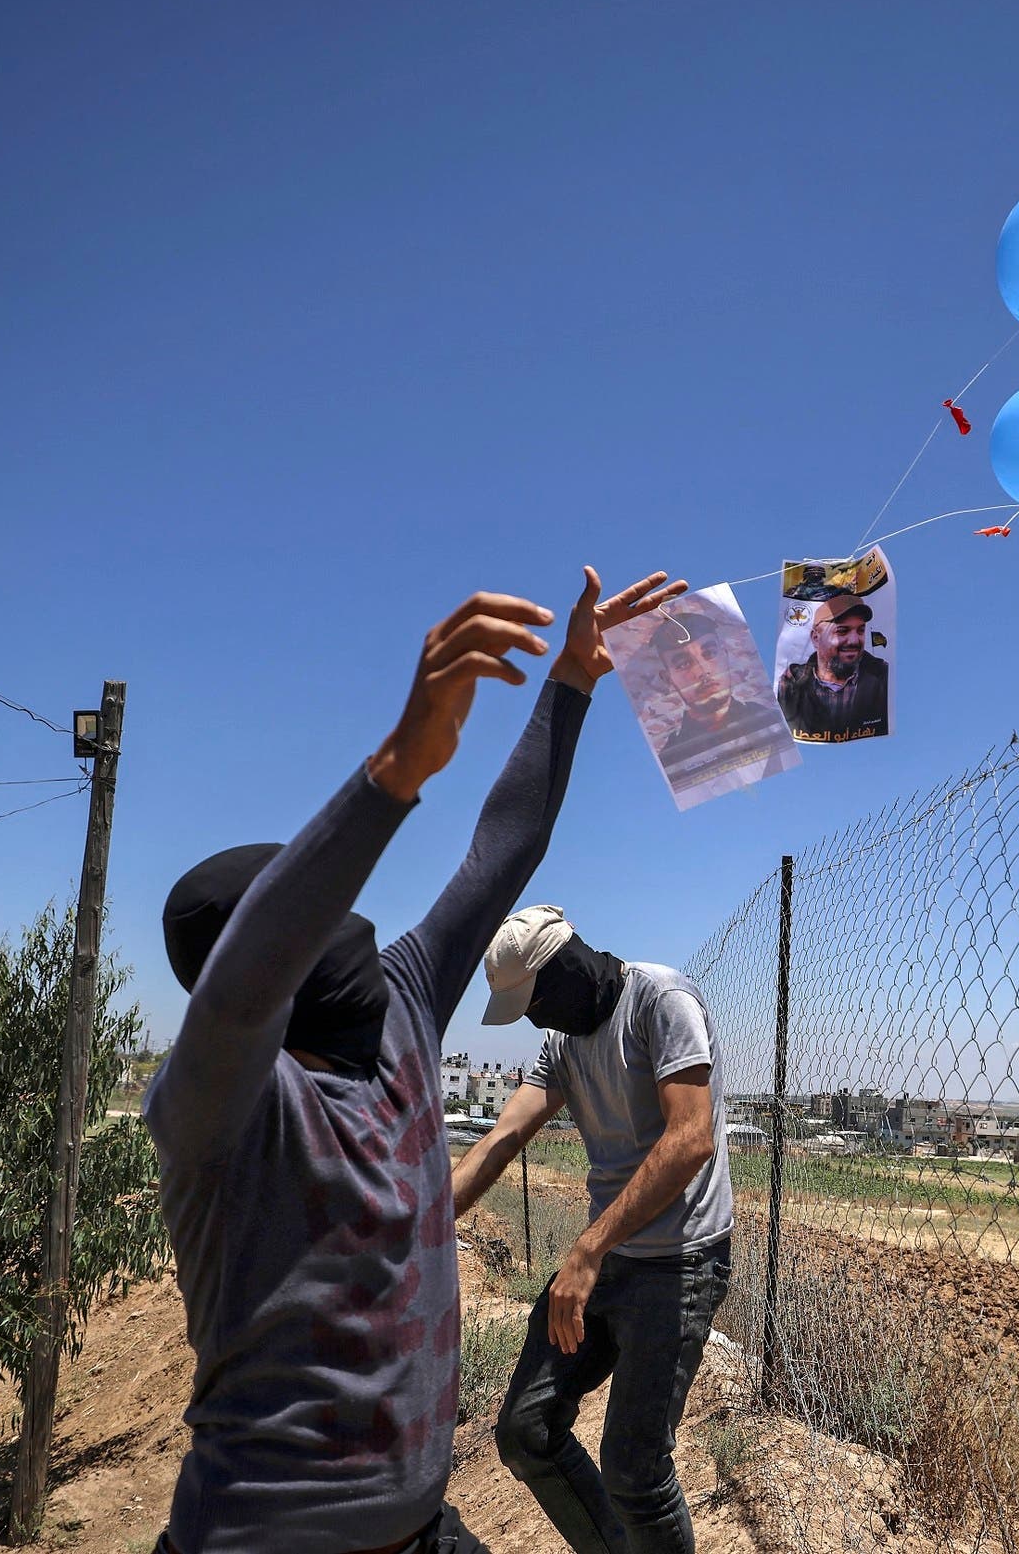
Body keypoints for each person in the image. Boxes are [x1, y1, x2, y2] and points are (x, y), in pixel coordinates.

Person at [144, 568, 684, 1554]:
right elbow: (241, 984)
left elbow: (498, 854)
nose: (353, 915)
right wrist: (393, 770)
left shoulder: (397, 1007)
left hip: (421, 1529)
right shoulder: (217, 1099)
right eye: (311, 903)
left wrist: (570, 684)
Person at [450, 905, 733, 1554]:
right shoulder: (562, 1043)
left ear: (567, 966)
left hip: (679, 1262)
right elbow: (503, 1136)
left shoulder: (661, 999)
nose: (533, 1017)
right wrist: (423, 1226)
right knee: (527, 1428)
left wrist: (587, 1248)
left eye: (535, 999)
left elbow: (691, 1138)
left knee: (635, 1471)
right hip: (610, 1259)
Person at [646, 603, 790, 778]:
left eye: (709, 653)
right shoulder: (672, 759)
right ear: (668, 678)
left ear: (725, 654)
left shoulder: (770, 722)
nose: (702, 671)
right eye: (683, 664)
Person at [774, 590, 888, 741]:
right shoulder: (792, 683)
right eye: (842, 631)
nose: (854, 640)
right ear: (816, 638)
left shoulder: (881, 676)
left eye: (860, 630)